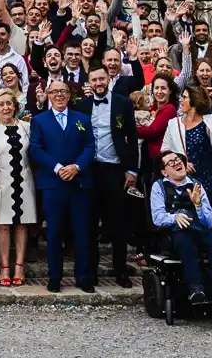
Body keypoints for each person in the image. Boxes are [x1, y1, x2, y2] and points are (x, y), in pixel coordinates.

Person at [30, 79, 96, 293]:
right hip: (53, 184)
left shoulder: (82, 119)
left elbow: (89, 146)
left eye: (63, 91)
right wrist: (58, 168)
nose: (59, 95)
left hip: (79, 183)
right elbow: (36, 150)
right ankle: (55, 277)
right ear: (48, 95)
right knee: (55, 232)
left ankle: (83, 276)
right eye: (55, 92)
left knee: (81, 232)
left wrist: (77, 166)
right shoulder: (40, 121)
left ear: (69, 95)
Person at [74, 66, 138, 288]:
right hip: (90, 170)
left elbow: (132, 137)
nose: (99, 82)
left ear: (109, 78)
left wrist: (132, 169)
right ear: (89, 82)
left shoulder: (123, 103)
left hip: (114, 169)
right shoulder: (82, 105)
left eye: (102, 78)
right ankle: (90, 274)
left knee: (117, 223)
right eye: (94, 80)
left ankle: (120, 271)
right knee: (90, 224)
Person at [150, 150, 212, 306]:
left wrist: (198, 204)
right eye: (171, 162)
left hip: (198, 229)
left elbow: (209, 222)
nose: (177, 163)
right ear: (164, 172)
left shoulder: (196, 185)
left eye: (178, 159)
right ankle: (195, 287)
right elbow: (157, 217)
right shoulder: (158, 186)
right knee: (185, 241)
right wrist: (174, 217)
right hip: (174, 233)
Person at [162, 85, 212, 232]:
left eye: (184, 97)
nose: (180, 100)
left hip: (207, 178)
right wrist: (182, 162)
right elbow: (165, 150)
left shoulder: (209, 121)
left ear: (194, 99)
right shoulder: (174, 124)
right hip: (184, 179)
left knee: (210, 218)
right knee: (190, 218)